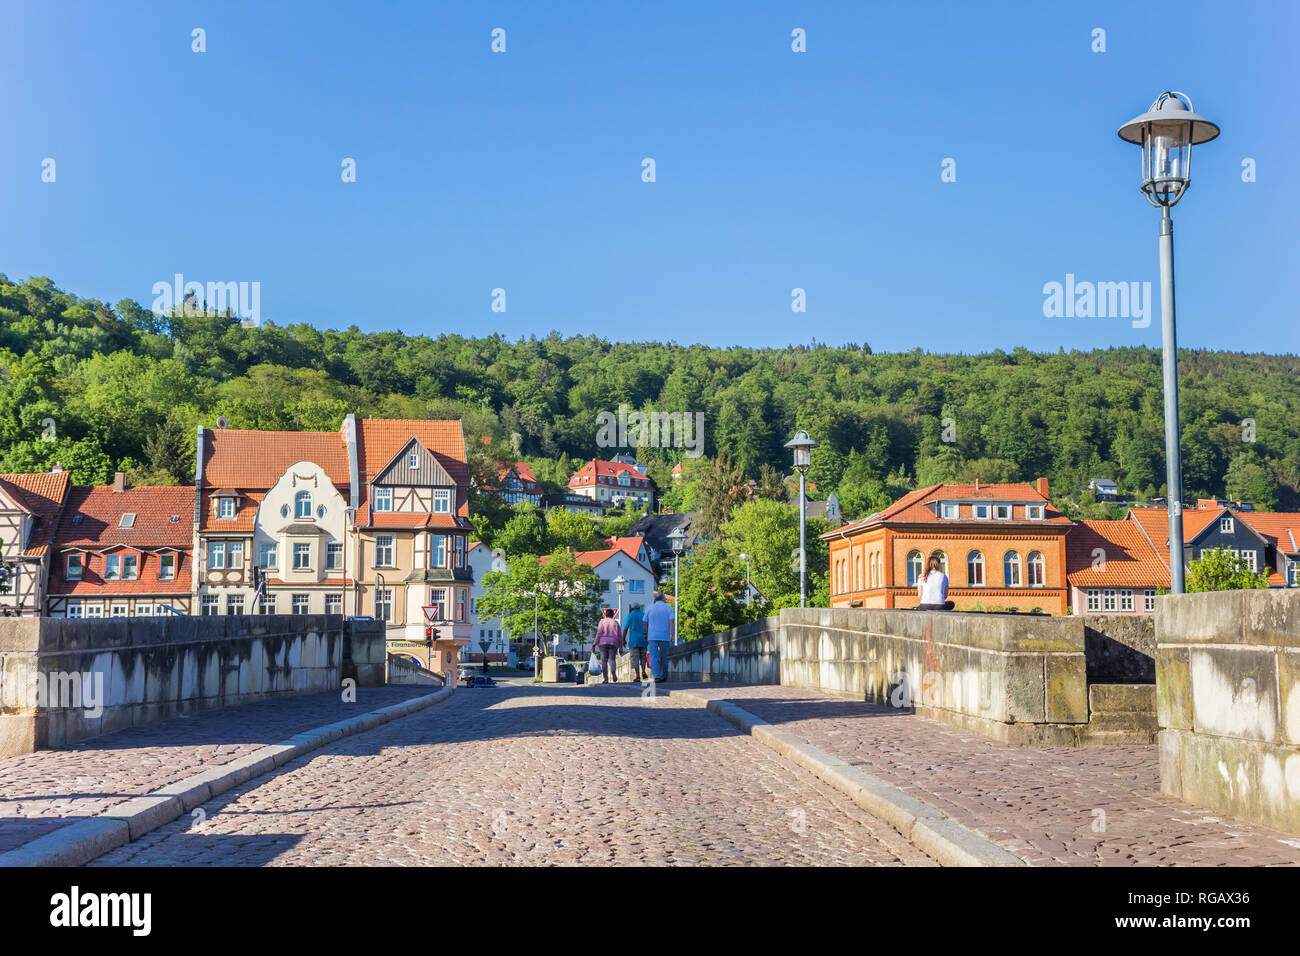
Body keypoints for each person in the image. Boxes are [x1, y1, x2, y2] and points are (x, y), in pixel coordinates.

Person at [643, 591, 676, 683]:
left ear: (655, 599)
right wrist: (672, 635)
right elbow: (672, 622)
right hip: (664, 636)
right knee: (663, 656)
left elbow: (645, 622)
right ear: (664, 599)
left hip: (652, 636)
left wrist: (645, 633)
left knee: (653, 656)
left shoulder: (649, 608)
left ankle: (657, 676)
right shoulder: (669, 608)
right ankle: (663, 675)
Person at [592, 607, 624, 684]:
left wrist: (594, 644)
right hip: (614, 643)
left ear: (605, 615)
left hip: (602, 643)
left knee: (604, 661)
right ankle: (613, 671)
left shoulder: (602, 622)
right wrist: (620, 647)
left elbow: (599, 633)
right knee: (612, 660)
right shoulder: (616, 623)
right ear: (613, 615)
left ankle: (606, 679)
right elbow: (619, 636)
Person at [622, 602, 647, 682]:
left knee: (635, 658)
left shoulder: (630, 615)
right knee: (643, 656)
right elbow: (647, 626)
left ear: (632, 608)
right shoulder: (643, 614)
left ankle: (638, 676)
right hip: (643, 639)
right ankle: (643, 671)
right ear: (639, 608)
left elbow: (625, 628)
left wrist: (623, 639)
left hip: (634, 641)